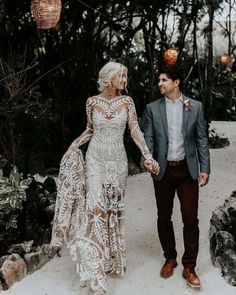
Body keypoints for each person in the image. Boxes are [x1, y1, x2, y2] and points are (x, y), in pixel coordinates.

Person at [50, 61, 159, 295]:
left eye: (126, 76)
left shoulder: (127, 102)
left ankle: (109, 259)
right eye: (121, 76)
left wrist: (148, 156)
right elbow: (90, 129)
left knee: (111, 210)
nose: (125, 80)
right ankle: (95, 272)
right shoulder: (92, 102)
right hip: (95, 161)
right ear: (109, 77)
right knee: (95, 210)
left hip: (117, 164)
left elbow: (135, 130)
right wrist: (74, 145)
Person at [142, 63, 210, 288]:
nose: (160, 84)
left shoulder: (195, 107)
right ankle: (170, 258)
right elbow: (148, 139)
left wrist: (205, 168)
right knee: (164, 216)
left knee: (191, 219)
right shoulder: (152, 109)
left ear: (176, 82)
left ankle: (189, 266)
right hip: (163, 170)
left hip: (187, 170)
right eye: (159, 80)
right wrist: (147, 159)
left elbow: (201, 139)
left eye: (164, 80)